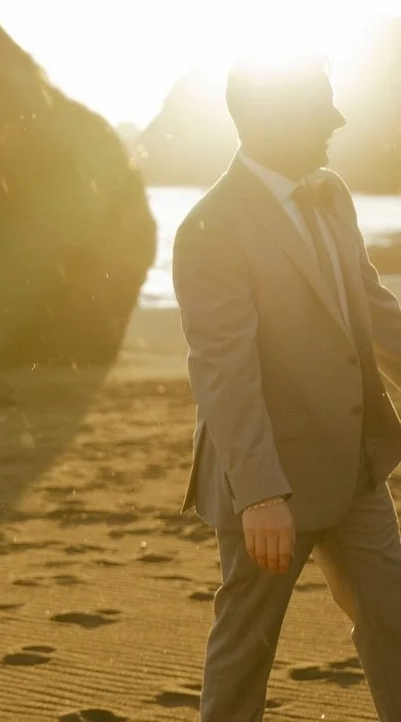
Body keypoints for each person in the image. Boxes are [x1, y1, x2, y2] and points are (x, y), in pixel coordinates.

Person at [172, 52, 401, 720]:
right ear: (269, 118)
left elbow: (369, 305)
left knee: (395, 617)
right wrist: (261, 494)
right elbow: (225, 371)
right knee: (247, 648)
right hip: (271, 484)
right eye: (319, 108)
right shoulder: (210, 227)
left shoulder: (330, 192)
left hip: (356, 465)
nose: (336, 120)